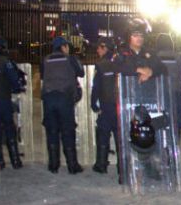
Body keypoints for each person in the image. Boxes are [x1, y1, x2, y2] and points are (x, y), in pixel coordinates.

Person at [41, 36, 85, 174]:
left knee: (52, 131)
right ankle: (72, 166)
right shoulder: (70, 59)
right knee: (67, 131)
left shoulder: (45, 60)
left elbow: (43, 76)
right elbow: (81, 72)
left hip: (48, 99)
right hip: (64, 98)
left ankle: (53, 165)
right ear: (64, 47)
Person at [0, 36, 24, 170]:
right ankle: (15, 160)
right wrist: (18, 87)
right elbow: (15, 81)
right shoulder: (6, 62)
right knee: (10, 129)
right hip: (4, 100)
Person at [91, 37, 121, 177]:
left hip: (106, 105)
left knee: (103, 134)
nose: (97, 50)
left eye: (99, 48)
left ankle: (101, 165)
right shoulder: (120, 62)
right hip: (119, 105)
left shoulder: (101, 65)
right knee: (119, 137)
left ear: (105, 48)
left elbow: (96, 88)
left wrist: (94, 104)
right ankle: (122, 167)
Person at [154, 33, 181, 139]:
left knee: (161, 116)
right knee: (177, 116)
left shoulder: (155, 57)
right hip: (177, 89)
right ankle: (176, 140)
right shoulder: (179, 56)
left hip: (161, 90)